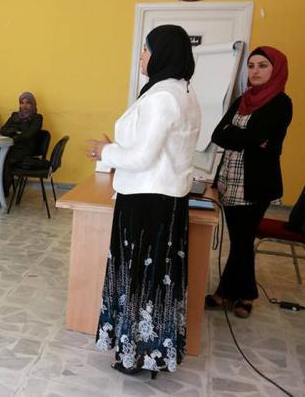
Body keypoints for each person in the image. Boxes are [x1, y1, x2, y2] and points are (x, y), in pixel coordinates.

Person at [87, 24, 201, 376]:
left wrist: (105, 150)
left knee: (141, 278)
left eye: (146, 50)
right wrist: (117, 149)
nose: (141, 56)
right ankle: (147, 351)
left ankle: (136, 353)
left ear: (163, 54)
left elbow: (141, 158)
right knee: (154, 278)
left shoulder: (163, 98)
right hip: (164, 199)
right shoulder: (182, 92)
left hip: (147, 200)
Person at [206, 46, 292, 319]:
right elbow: (218, 134)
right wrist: (251, 138)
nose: (254, 71)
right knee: (239, 239)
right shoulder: (242, 100)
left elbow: (255, 135)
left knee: (242, 240)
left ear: (275, 69)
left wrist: (244, 135)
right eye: (251, 65)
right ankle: (236, 292)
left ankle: (237, 294)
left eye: (262, 65)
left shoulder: (280, 102)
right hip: (230, 181)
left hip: (256, 185)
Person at [0, 92, 43, 198]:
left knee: (5, 159)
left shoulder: (37, 118)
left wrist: (15, 134)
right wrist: (15, 131)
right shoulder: (15, 116)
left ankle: (3, 191)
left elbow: (28, 134)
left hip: (26, 148)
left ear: (33, 104)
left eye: (28, 103)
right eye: (22, 103)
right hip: (11, 146)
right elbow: (3, 129)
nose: (24, 106)